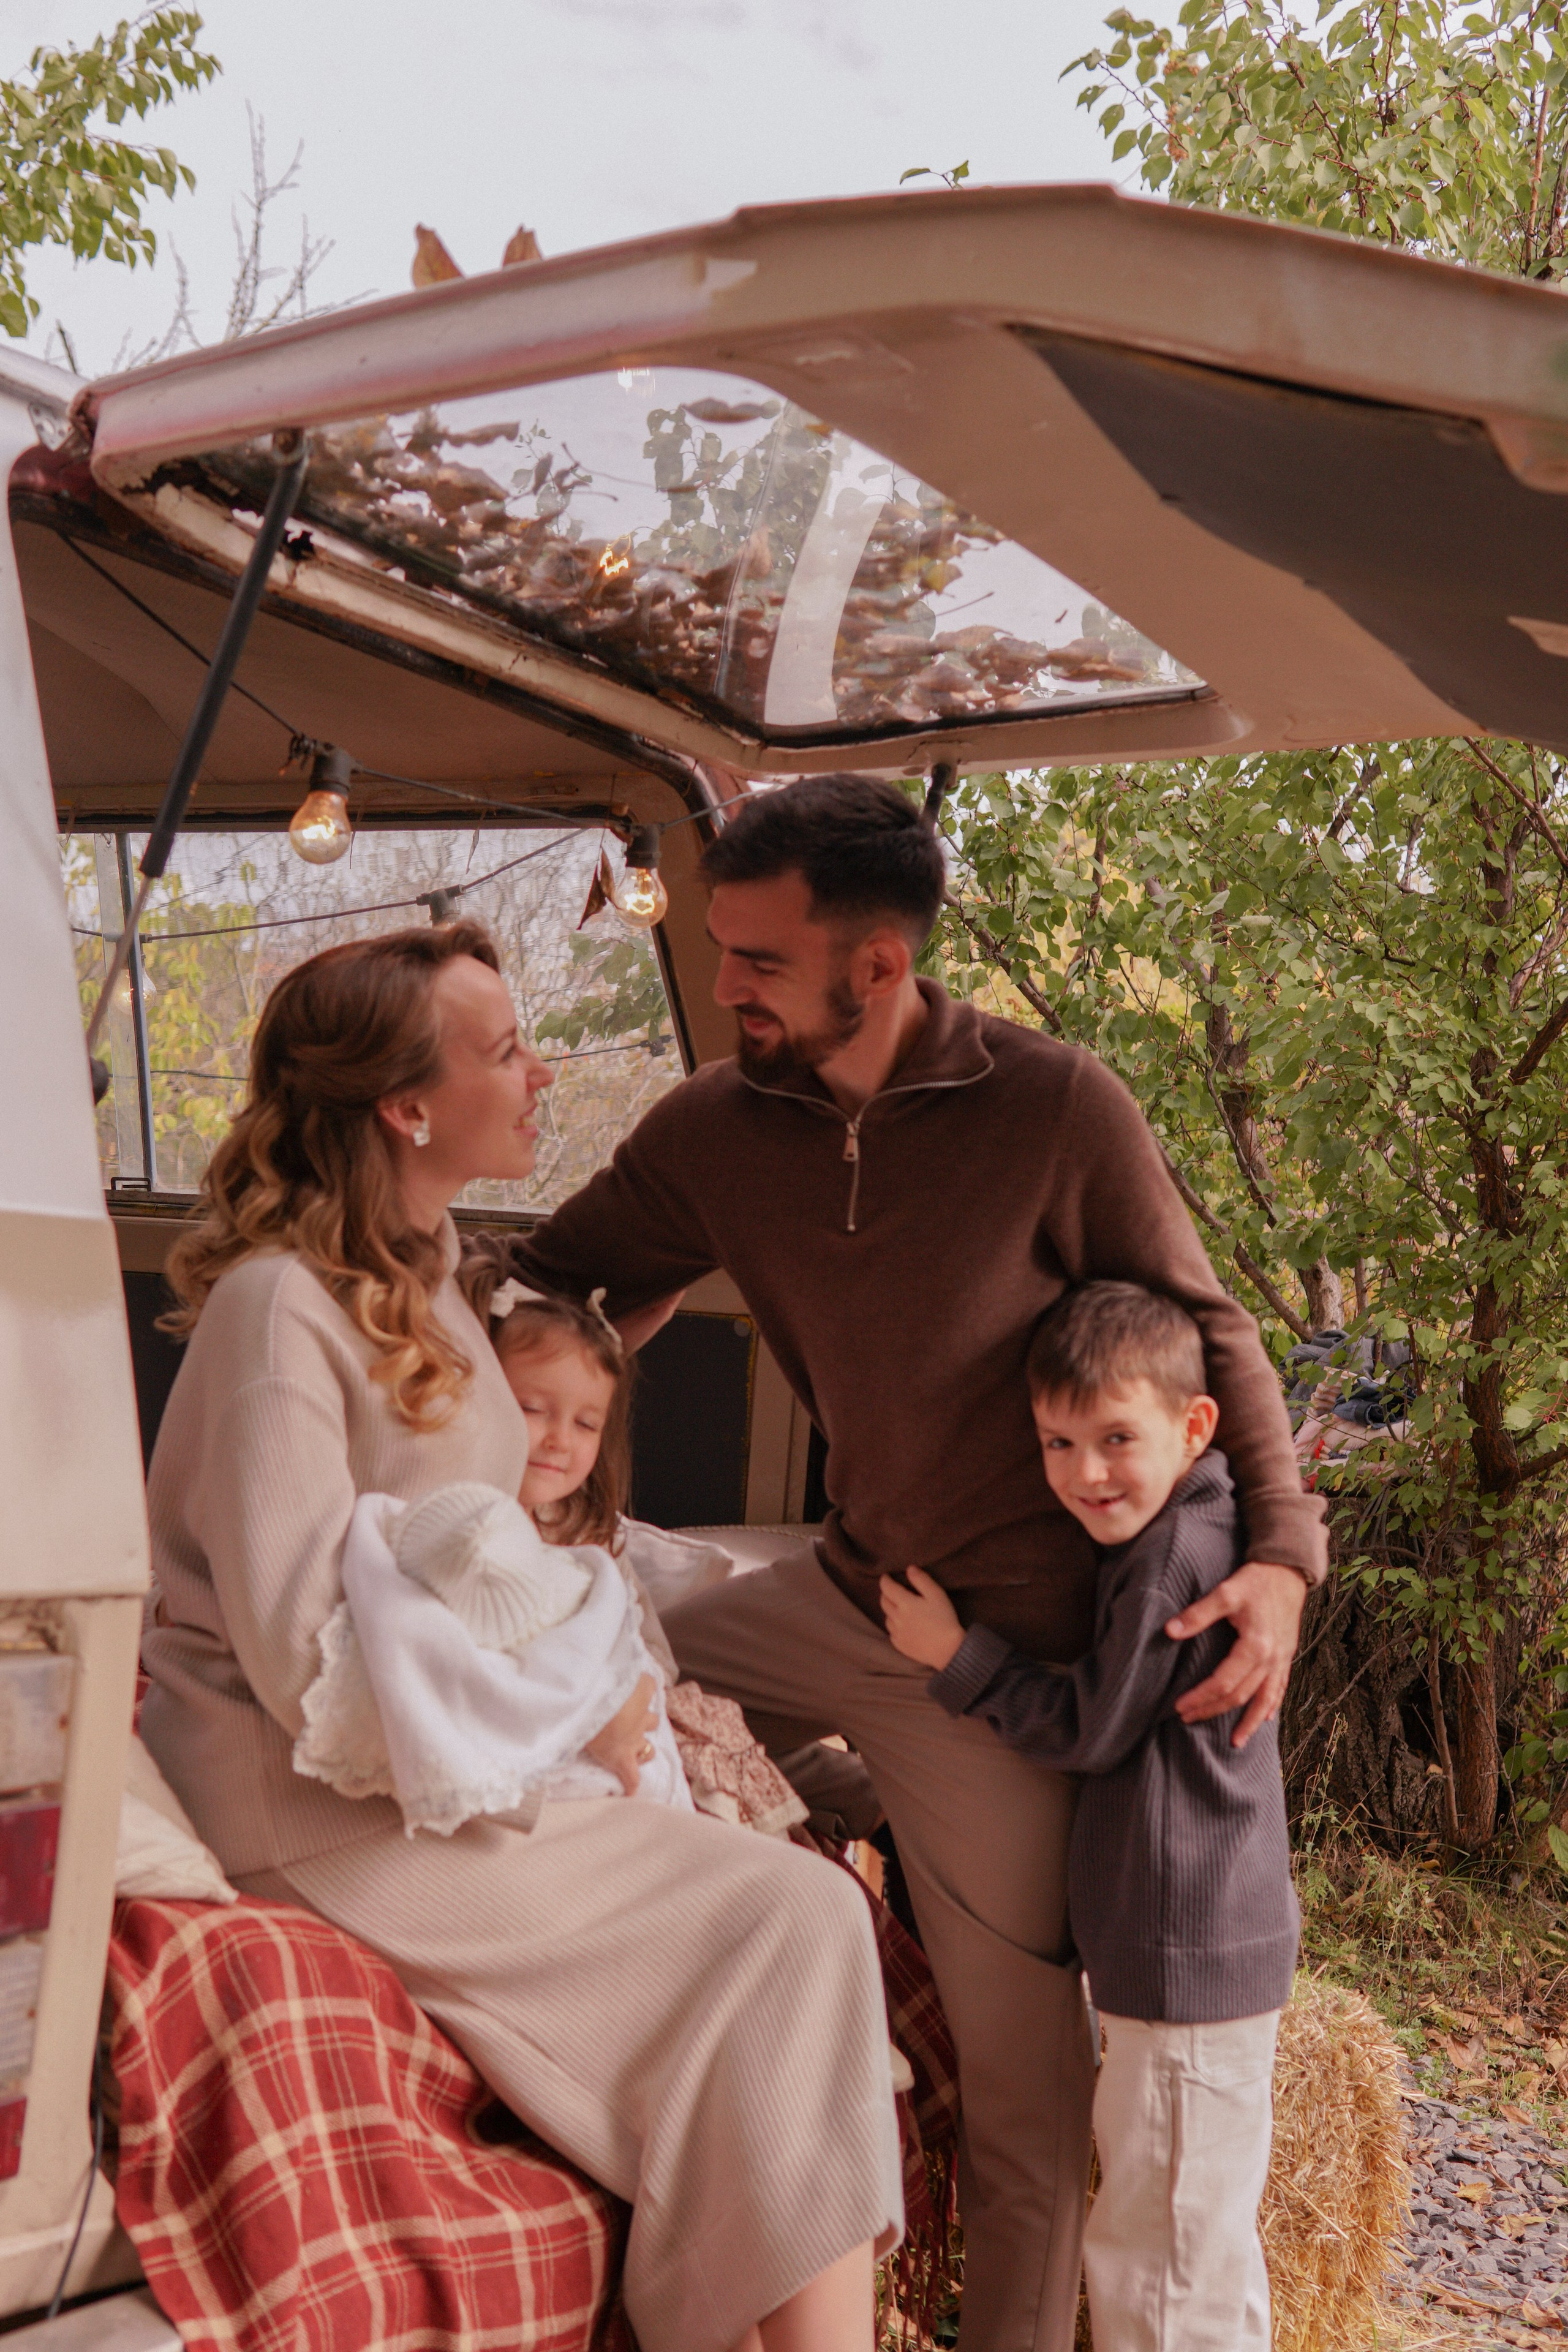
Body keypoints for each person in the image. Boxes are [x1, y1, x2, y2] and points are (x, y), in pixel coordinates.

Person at [503, 774, 1326, 2351]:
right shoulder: (714, 1130)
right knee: (590, 1655)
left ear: (874, 966)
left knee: (1025, 2108)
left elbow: (1207, 1330)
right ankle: (827, 1801)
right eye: (720, 950)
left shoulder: (1054, 1109)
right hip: (851, 1591)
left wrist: (1282, 1557)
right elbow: (555, 1280)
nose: (723, 985)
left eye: (757, 959)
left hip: (999, 1669)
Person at [138, 920, 902, 2352]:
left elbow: (488, 1540)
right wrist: (575, 1707)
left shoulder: (436, 1283)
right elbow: (304, 1654)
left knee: (798, 1916)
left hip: (449, 1767)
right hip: (310, 1801)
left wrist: (591, 1687)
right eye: (503, 1051)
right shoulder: (276, 1312)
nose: (539, 1073)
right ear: (406, 1108)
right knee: (790, 1918)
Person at [882, 1282, 1299, 2352]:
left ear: (1195, 1425)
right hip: (1205, 1948)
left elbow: (1090, 1728)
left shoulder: (1167, 1562)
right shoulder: (1203, 1524)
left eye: (1117, 1438)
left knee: (1158, 2263)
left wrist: (957, 1656)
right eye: (1058, 1444)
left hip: (1183, 1953)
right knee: (1200, 2250)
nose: (1086, 1473)